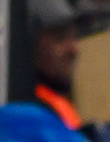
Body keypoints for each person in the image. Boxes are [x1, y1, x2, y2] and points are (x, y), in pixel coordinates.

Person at [30, 0, 82, 130]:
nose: (74, 49)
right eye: (60, 38)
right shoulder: (33, 117)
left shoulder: (57, 104)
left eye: (74, 36)